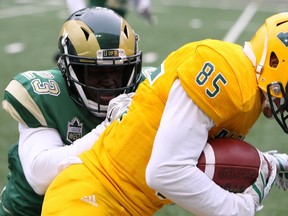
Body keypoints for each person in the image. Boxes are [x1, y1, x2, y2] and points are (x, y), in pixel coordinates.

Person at [40, 12, 288, 216]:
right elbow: (166, 171)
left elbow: (197, 152)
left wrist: (269, 163)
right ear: (275, 61)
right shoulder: (229, 73)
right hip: (89, 196)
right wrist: (240, 208)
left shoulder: (248, 94)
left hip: (124, 205)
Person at [0, 7, 153, 216]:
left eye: (118, 70)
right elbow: (39, 175)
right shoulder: (48, 95)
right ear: (68, 69)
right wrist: (111, 126)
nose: (110, 81)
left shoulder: (145, 90)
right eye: (97, 72)